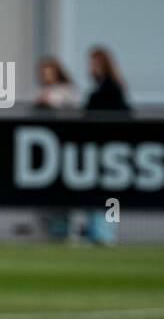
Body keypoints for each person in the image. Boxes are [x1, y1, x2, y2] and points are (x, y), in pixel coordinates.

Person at [84, 46, 130, 245]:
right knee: (96, 191)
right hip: (97, 148)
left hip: (110, 148)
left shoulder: (112, 88)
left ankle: (107, 232)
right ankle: (97, 230)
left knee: (110, 193)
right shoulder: (100, 87)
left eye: (94, 63)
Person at [34, 57, 78, 241]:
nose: (46, 77)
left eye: (49, 73)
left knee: (64, 197)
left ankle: (66, 232)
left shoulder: (67, 92)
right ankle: (49, 233)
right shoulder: (40, 93)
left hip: (64, 153)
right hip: (45, 155)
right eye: (43, 74)